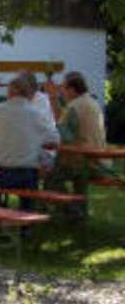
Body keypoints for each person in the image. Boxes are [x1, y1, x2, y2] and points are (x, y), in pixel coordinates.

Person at [0, 75, 60, 209]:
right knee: (36, 173)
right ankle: (26, 216)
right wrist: (32, 142)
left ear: (9, 92)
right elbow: (55, 142)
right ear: (30, 94)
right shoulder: (37, 115)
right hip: (25, 176)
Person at [44, 71, 107, 205]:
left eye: (63, 87)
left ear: (72, 90)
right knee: (77, 185)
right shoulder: (91, 102)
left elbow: (65, 135)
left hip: (81, 162)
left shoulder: (74, 106)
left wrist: (53, 98)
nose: (61, 91)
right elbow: (65, 122)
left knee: (50, 179)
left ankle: (72, 210)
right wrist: (53, 98)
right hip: (99, 164)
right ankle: (78, 211)